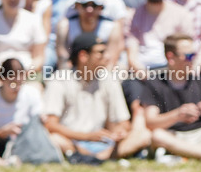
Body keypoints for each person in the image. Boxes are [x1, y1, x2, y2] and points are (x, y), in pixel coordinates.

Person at [42, 33, 151, 164]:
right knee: (54, 139)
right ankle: (98, 157)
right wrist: (87, 136)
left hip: (103, 142)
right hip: (71, 141)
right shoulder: (59, 80)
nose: (107, 57)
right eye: (100, 52)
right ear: (83, 56)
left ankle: (92, 158)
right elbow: (50, 125)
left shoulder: (109, 79)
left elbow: (122, 122)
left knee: (144, 135)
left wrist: (119, 133)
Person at [126, 0, 194, 72]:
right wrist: (140, 71)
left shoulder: (181, 14)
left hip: (173, 69)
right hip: (142, 71)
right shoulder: (133, 15)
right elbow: (132, 50)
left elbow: (187, 48)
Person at [0, 58, 40, 157]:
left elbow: (41, 133)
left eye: (20, 83)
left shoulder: (32, 93)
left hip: (26, 146)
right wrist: (2, 133)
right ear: (1, 79)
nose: (17, 87)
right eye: (12, 83)